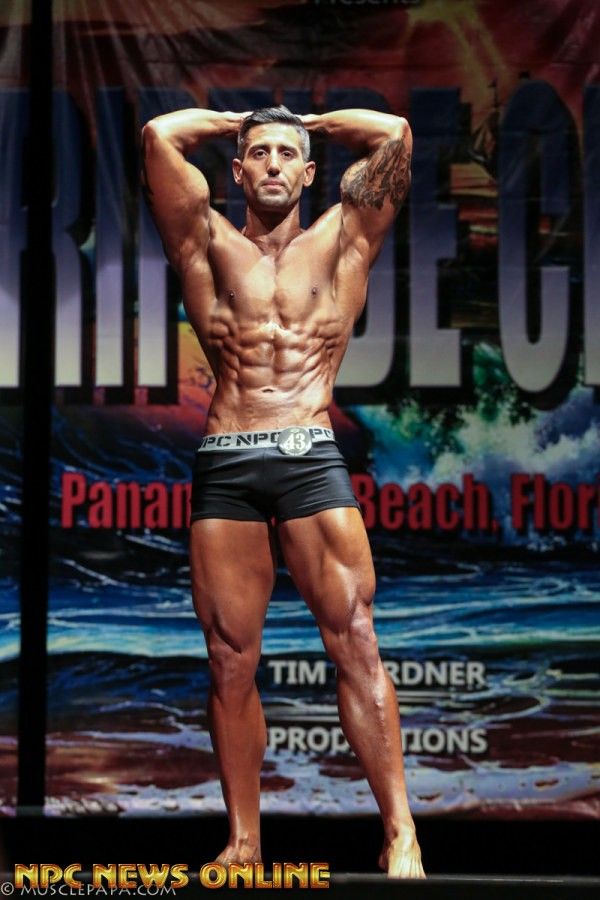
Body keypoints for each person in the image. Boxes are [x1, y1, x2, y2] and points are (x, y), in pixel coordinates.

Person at [141, 104, 424, 879]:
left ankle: (401, 832)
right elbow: (160, 136)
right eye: (257, 153)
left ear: (308, 173)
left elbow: (395, 135)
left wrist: (311, 122)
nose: (271, 163)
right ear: (236, 171)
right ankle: (244, 842)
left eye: (285, 155)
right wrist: (238, 117)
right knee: (230, 659)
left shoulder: (343, 237)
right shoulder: (204, 241)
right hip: (228, 456)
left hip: (307, 450)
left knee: (355, 638)